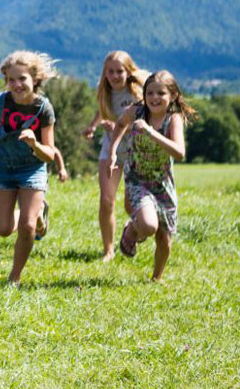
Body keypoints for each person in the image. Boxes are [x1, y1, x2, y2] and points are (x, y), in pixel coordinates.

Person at [0, 50, 60, 286]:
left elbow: (49, 154)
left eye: (22, 79)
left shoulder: (44, 109)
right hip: (2, 167)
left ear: (35, 79)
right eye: (11, 79)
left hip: (31, 169)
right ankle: (37, 211)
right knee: (3, 229)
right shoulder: (0, 101)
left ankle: (14, 277)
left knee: (27, 227)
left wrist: (34, 143)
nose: (17, 84)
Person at [106, 70, 197, 282]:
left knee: (165, 238)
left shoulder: (173, 119)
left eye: (161, 93)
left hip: (162, 183)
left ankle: (156, 279)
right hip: (138, 179)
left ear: (172, 96)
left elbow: (180, 153)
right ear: (144, 95)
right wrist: (112, 151)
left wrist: (150, 133)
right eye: (150, 93)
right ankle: (132, 230)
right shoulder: (136, 111)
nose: (154, 98)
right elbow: (120, 124)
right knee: (148, 226)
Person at [82, 50, 150, 262]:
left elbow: (145, 125)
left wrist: (120, 127)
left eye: (119, 71)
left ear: (128, 71)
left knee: (131, 206)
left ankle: (132, 230)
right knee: (106, 200)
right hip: (110, 150)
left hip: (135, 152)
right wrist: (93, 127)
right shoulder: (104, 91)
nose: (114, 76)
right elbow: (102, 110)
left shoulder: (138, 94)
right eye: (110, 72)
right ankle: (108, 250)